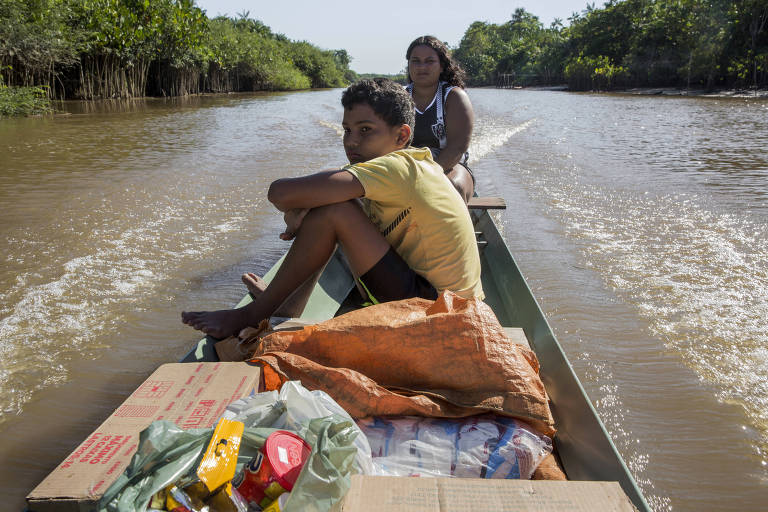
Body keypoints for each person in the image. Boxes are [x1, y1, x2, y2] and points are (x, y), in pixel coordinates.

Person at [182, 78, 483, 339]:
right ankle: (283, 308)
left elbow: (279, 193)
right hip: (443, 304)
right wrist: (300, 213)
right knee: (332, 206)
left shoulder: (396, 167)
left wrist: (299, 213)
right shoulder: (403, 165)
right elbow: (302, 199)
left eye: (366, 130)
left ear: (401, 136)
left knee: (333, 212)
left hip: (441, 312)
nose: (351, 141)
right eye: (347, 130)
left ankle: (253, 314)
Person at [406, 35, 475, 203]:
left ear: (442, 66)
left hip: (449, 166)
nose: (422, 67)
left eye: (429, 61)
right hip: (406, 166)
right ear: (408, 65)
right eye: (416, 61)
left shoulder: (454, 97)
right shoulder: (397, 97)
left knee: (452, 187)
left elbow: (457, 149)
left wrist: (427, 178)